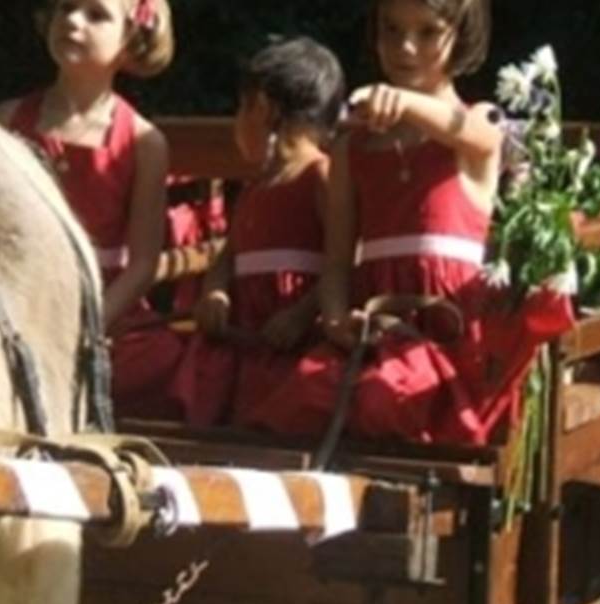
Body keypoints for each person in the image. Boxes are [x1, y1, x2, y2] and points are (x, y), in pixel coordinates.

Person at [247, 0, 505, 444]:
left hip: (449, 333)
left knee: (384, 403)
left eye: (427, 33)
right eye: (391, 29)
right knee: (298, 402)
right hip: (375, 328)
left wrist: (404, 102)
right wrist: (334, 319)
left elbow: (471, 131)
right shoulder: (353, 147)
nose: (405, 47)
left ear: (460, 35)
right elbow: (336, 263)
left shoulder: (480, 123)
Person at [0, 0, 179, 419]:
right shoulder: (7, 119)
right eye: (65, 8)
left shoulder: (144, 142)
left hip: (100, 308)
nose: (73, 21)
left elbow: (142, 265)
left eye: (96, 15)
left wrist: (89, 324)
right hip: (16, 294)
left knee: (156, 361)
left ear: (130, 38)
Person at [169, 37, 344, 428]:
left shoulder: (321, 176)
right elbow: (228, 256)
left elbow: (344, 261)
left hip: (293, 343)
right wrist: (215, 290)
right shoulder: (253, 188)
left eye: (240, 109)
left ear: (263, 108)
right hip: (246, 343)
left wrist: (302, 315)